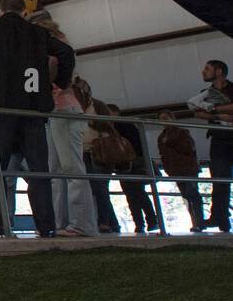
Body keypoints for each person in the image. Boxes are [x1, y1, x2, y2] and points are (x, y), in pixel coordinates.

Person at [0, 0, 74, 237]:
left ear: (1, 10)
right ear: (24, 12)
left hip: (2, 109)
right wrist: (59, 82)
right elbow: (66, 53)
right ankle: (46, 226)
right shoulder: (38, 33)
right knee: (38, 169)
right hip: (33, 109)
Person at [29, 14, 97, 237]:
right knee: (57, 170)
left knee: (71, 167)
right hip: (54, 110)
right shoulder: (53, 45)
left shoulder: (56, 46)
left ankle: (81, 223)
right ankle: (61, 222)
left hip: (64, 109)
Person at [190, 60, 233, 232]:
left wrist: (213, 110)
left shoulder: (232, 88)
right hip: (219, 139)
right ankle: (220, 218)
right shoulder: (204, 93)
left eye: (207, 69)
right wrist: (222, 114)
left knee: (221, 178)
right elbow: (197, 112)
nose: (203, 71)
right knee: (219, 179)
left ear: (219, 71)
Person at [107, 104, 160, 233]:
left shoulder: (120, 127)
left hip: (128, 164)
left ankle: (143, 222)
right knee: (136, 194)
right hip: (129, 163)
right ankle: (148, 221)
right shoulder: (128, 126)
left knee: (134, 194)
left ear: (115, 113)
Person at [79, 88, 121, 233]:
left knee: (100, 189)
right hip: (85, 151)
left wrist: (91, 122)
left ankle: (104, 221)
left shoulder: (97, 106)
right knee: (98, 189)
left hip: (99, 152)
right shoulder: (80, 107)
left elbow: (107, 127)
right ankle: (110, 222)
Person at [157, 110, 204, 232]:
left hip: (187, 169)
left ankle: (199, 221)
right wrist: (168, 169)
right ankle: (197, 222)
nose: (164, 121)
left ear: (172, 118)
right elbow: (163, 155)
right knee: (187, 195)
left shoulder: (181, 133)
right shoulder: (161, 137)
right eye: (161, 119)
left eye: (166, 118)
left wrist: (171, 142)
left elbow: (188, 148)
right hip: (175, 170)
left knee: (192, 194)